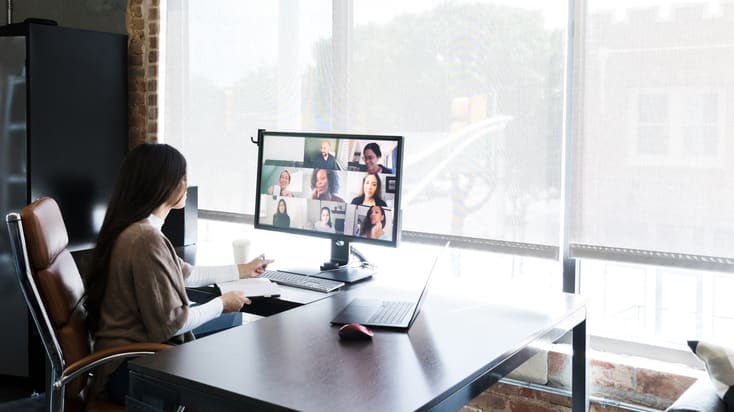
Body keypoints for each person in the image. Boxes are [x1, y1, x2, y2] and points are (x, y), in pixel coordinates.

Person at [85, 143, 273, 404]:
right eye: (182, 178)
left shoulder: (138, 228)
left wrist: (241, 270)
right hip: (131, 368)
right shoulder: (144, 238)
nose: (187, 184)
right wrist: (221, 303)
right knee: (233, 346)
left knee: (231, 325)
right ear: (163, 184)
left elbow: (186, 274)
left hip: (130, 357)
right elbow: (170, 325)